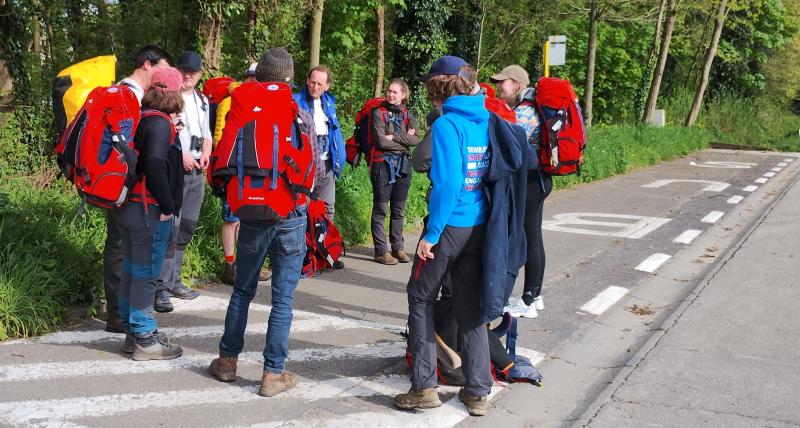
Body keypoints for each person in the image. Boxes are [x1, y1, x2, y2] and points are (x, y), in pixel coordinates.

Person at [207, 47, 318, 397]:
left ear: (260, 74)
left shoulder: (240, 106)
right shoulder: (297, 112)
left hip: (252, 213)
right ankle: (272, 374)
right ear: (287, 77)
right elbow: (310, 170)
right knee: (283, 298)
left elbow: (222, 156)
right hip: (291, 212)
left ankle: (227, 361)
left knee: (242, 291)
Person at [394, 56, 492, 417]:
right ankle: (478, 390)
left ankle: (424, 387)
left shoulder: (449, 125)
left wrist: (431, 234)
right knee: (470, 305)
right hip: (478, 225)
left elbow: (449, 184)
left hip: (449, 226)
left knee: (419, 297)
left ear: (438, 87)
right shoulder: (484, 117)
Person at [116, 66, 185, 360]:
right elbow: (155, 164)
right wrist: (168, 206)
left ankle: (133, 333)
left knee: (132, 271)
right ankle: (145, 338)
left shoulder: (143, 119)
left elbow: (143, 163)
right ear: (173, 93)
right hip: (149, 210)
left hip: (130, 206)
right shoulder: (159, 124)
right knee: (144, 275)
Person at [104, 45, 172, 333]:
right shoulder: (128, 96)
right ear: (147, 65)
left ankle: (124, 317)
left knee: (125, 253)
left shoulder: (128, 95)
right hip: (130, 192)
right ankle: (125, 319)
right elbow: (143, 156)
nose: (166, 76)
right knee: (127, 255)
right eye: (162, 69)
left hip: (121, 188)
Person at [492, 65, 552, 318]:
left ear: (516, 84)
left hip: (530, 182)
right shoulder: (524, 109)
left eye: (502, 82)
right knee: (533, 236)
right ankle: (534, 295)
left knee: (527, 238)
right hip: (536, 180)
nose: (498, 87)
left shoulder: (523, 113)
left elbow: (510, 146)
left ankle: (528, 299)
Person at [154, 51, 210, 312]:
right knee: (169, 230)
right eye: (184, 70)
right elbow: (167, 133)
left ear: (200, 74)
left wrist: (206, 153)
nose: (188, 75)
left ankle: (175, 281)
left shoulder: (202, 101)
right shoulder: (167, 97)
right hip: (176, 170)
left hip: (197, 172)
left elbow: (206, 133)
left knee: (186, 227)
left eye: (193, 72)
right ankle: (160, 288)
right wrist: (183, 154)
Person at [212, 66, 270, 285]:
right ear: (246, 78)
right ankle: (230, 265)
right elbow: (219, 138)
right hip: (233, 169)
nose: (255, 82)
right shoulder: (230, 102)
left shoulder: (261, 102)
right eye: (252, 77)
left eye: (259, 78)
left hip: (254, 169)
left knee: (247, 218)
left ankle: (247, 264)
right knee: (231, 218)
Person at [293, 65, 346, 269]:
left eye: (320, 84)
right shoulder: (296, 101)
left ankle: (325, 253)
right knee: (303, 209)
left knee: (327, 209)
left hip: (327, 164)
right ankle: (303, 256)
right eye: (312, 81)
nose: (315, 86)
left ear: (327, 86)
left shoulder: (329, 102)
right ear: (307, 80)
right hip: (306, 166)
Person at [369, 78, 419, 265]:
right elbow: (381, 142)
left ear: (403, 95)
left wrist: (394, 137)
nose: (390, 94)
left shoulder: (409, 114)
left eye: (395, 92)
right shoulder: (377, 113)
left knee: (399, 210)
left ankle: (397, 248)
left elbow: (416, 140)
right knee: (381, 209)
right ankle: (381, 251)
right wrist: (404, 139)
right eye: (389, 91)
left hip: (404, 167)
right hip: (382, 166)